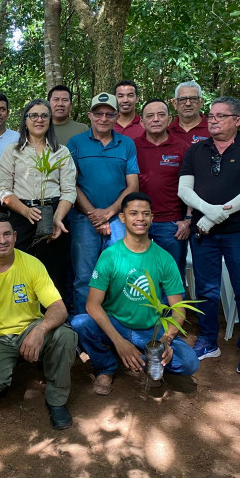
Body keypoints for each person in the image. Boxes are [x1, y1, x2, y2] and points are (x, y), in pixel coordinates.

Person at [71, 192, 199, 395]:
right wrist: (119, 342)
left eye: (145, 214)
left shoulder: (164, 258)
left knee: (189, 363)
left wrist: (165, 341)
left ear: (152, 218)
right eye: (133, 213)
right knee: (80, 323)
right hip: (116, 324)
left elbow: (178, 309)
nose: (140, 218)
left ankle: (149, 359)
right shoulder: (110, 256)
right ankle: (106, 367)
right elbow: (92, 305)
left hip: (151, 329)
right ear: (122, 218)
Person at [0, 212, 77, 430]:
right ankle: (7, 368)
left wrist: (40, 330)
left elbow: (58, 308)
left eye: (6, 234)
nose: (2, 240)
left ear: (14, 236)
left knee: (66, 335)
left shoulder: (32, 265)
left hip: (30, 329)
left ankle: (56, 401)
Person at [178, 96, 240, 374]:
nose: (212, 120)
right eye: (211, 116)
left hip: (239, 232)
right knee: (205, 289)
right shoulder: (197, 150)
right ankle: (207, 340)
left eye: (220, 116)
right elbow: (184, 189)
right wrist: (208, 212)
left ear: (237, 120)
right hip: (204, 233)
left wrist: (220, 214)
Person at [0, 99, 76, 307]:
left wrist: (57, 218)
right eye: (33, 115)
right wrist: (25, 211)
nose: (39, 120)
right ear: (25, 121)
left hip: (53, 212)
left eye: (44, 115)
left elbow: (69, 190)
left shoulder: (61, 152)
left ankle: (53, 318)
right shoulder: (12, 151)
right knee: (19, 266)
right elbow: (4, 190)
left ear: (50, 121)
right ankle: (20, 315)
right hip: (21, 213)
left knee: (53, 269)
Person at [67, 92, 139, 314]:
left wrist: (108, 214)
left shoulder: (126, 144)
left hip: (118, 219)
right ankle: (83, 329)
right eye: (98, 114)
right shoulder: (76, 143)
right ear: (90, 115)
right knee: (84, 277)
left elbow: (133, 186)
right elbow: (71, 183)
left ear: (117, 117)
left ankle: (117, 325)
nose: (103, 118)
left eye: (109, 114)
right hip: (83, 220)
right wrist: (94, 216)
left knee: (121, 274)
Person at [134, 99, 191, 279]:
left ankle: (173, 309)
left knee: (171, 277)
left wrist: (188, 219)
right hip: (138, 221)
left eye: (161, 115)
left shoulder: (182, 147)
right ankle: (144, 309)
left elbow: (193, 186)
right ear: (142, 122)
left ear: (169, 119)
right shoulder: (132, 146)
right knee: (138, 275)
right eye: (150, 116)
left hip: (171, 224)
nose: (156, 119)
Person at [168, 80, 209, 145]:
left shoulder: (212, 129)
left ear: (201, 102)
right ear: (175, 104)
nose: (188, 104)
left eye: (193, 98)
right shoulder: (167, 132)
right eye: (182, 99)